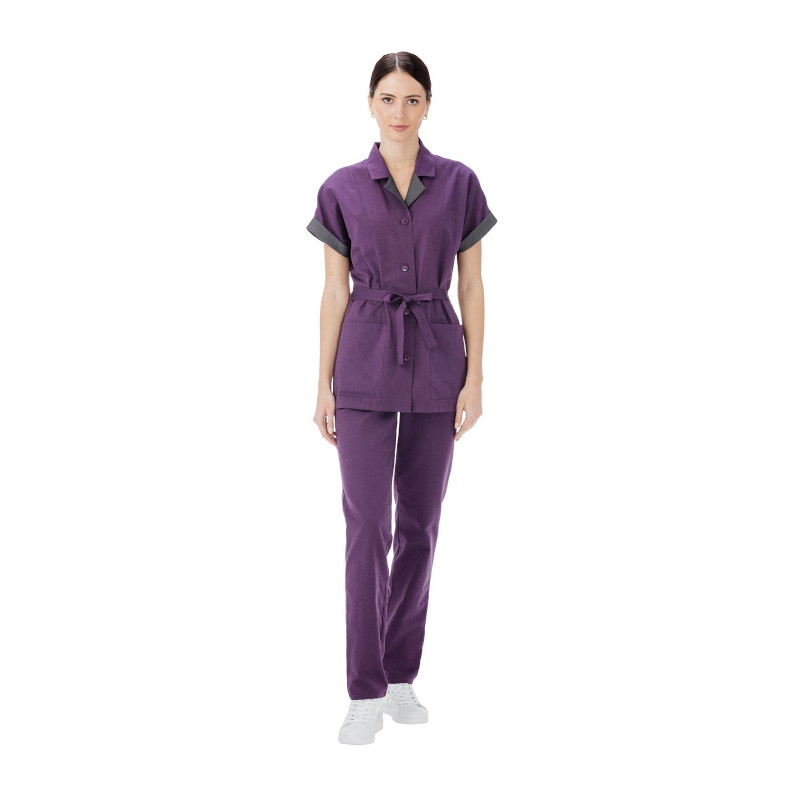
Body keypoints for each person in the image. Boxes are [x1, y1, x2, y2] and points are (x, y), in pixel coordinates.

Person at [307, 52, 498, 745]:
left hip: (438, 361)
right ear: (370, 103)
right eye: (388, 98)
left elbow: (470, 284)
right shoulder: (341, 188)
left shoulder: (460, 183)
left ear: (428, 106)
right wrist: (322, 384)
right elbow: (334, 290)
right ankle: (362, 690)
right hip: (362, 360)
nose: (399, 112)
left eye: (412, 99)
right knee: (368, 526)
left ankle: (398, 677)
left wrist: (475, 377)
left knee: (420, 522)